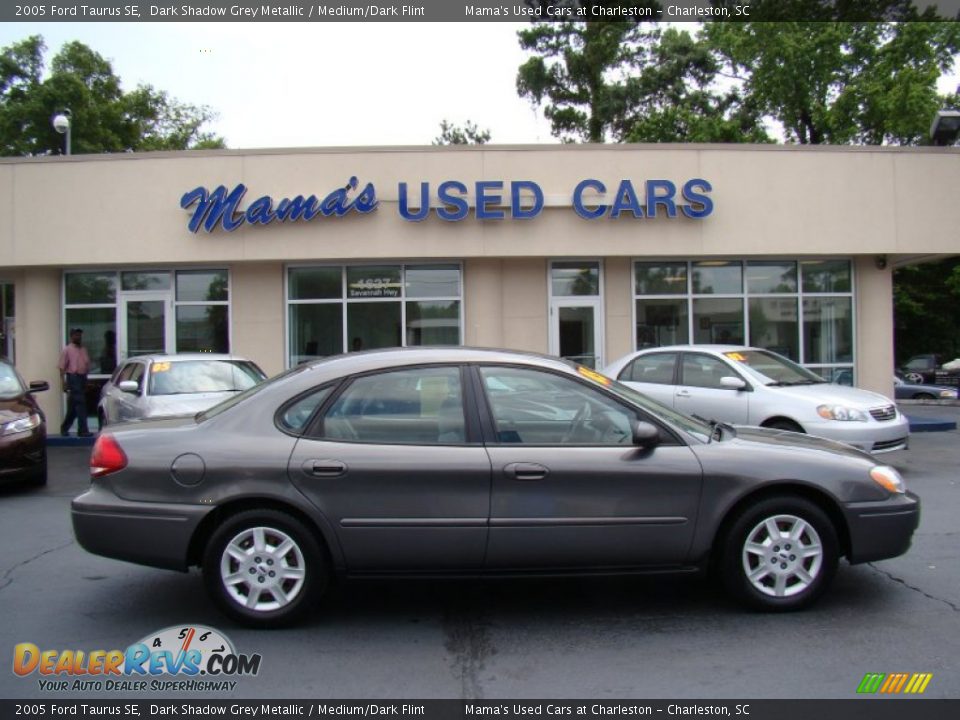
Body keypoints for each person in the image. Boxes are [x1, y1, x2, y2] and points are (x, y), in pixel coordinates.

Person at [58, 327, 92, 437]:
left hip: (82, 378)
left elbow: (86, 365)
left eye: (80, 335)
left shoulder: (83, 349)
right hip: (73, 377)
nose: (78, 337)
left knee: (73, 405)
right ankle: (83, 430)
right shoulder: (67, 349)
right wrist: (63, 382)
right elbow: (62, 367)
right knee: (81, 403)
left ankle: (64, 427)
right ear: (71, 336)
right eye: (76, 335)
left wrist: (86, 380)